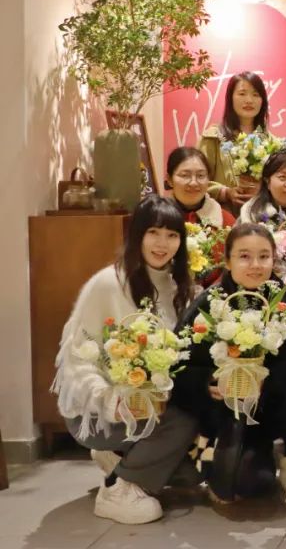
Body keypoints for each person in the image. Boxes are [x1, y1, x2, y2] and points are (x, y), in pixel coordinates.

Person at [52, 196, 198, 524]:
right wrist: (109, 400)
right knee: (184, 422)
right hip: (100, 410)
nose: (162, 244)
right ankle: (118, 489)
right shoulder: (108, 283)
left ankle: (120, 456)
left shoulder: (177, 285)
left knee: (189, 474)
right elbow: (78, 357)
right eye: (153, 233)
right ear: (136, 235)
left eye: (172, 235)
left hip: (151, 405)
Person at [172, 224, 286, 517]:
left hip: (273, 409)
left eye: (264, 256)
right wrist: (207, 383)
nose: (255, 265)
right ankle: (237, 462)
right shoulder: (209, 303)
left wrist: (266, 381)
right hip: (228, 416)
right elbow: (179, 364)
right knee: (250, 483)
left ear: (274, 260)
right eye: (244, 256)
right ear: (227, 262)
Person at [198, 72, 271, 211]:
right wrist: (225, 192)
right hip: (221, 217)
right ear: (230, 98)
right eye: (242, 94)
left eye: (255, 95)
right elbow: (197, 179)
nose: (249, 100)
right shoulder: (213, 137)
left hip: (261, 215)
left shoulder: (272, 143)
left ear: (262, 101)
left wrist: (263, 192)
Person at [166, 147, 236, 228]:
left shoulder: (226, 221)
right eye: (185, 175)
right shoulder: (157, 218)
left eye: (200, 175)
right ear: (169, 180)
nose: (193, 183)